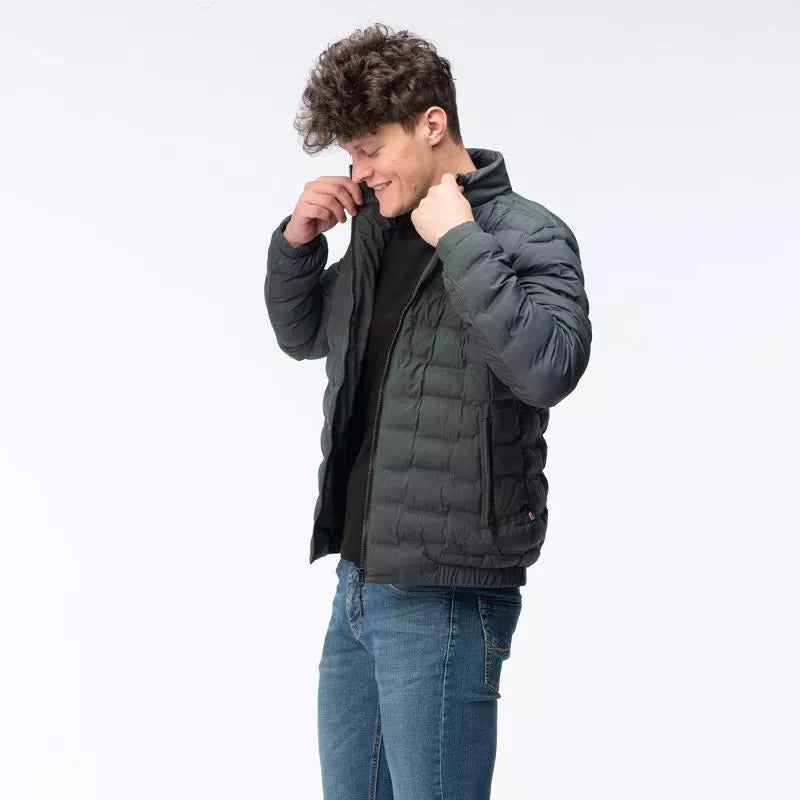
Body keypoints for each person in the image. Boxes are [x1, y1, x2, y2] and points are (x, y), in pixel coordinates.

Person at [264, 22, 592, 800]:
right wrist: (298, 244)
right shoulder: (376, 232)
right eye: (350, 156)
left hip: (446, 593)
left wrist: (462, 242)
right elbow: (305, 336)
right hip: (357, 583)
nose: (360, 172)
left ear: (432, 125)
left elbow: (550, 367)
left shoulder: (526, 233)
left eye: (370, 149)